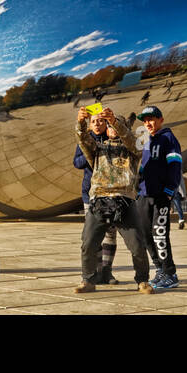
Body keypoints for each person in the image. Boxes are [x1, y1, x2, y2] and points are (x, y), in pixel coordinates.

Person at [74, 105, 154, 295]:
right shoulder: (97, 149)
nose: (110, 128)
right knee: (88, 243)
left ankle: (142, 280)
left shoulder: (133, 150)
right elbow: (83, 139)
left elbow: (129, 138)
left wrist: (115, 122)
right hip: (99, 200)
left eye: (113, 124)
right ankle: (88, 280)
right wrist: (79, 122)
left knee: (137, 245)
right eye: (108, 125)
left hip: (124, 202)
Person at [137, 105, 183, 291]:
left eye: (152, 119)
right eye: (145, 120)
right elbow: (143, 168)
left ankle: (170, 274)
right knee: (145, 234)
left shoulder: (168, 139)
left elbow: (175, 166)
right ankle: (160, 269)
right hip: (143, 195)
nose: (148, 123)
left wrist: (169, 191)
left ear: (161, 119)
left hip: (161, 196)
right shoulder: (148, 140)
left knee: (160, 234)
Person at [74, 111, 118, 283]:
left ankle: (107, 271)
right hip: (90, 194)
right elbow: (76, 163)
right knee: (93, 235)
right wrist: (90, 152)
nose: (98, 124)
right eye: (94, 121)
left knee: (110, 234)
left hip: (111, 193)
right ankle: (98, 272)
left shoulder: (113, 138)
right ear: (90, 124)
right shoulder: (84, 140)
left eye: (101, 121)